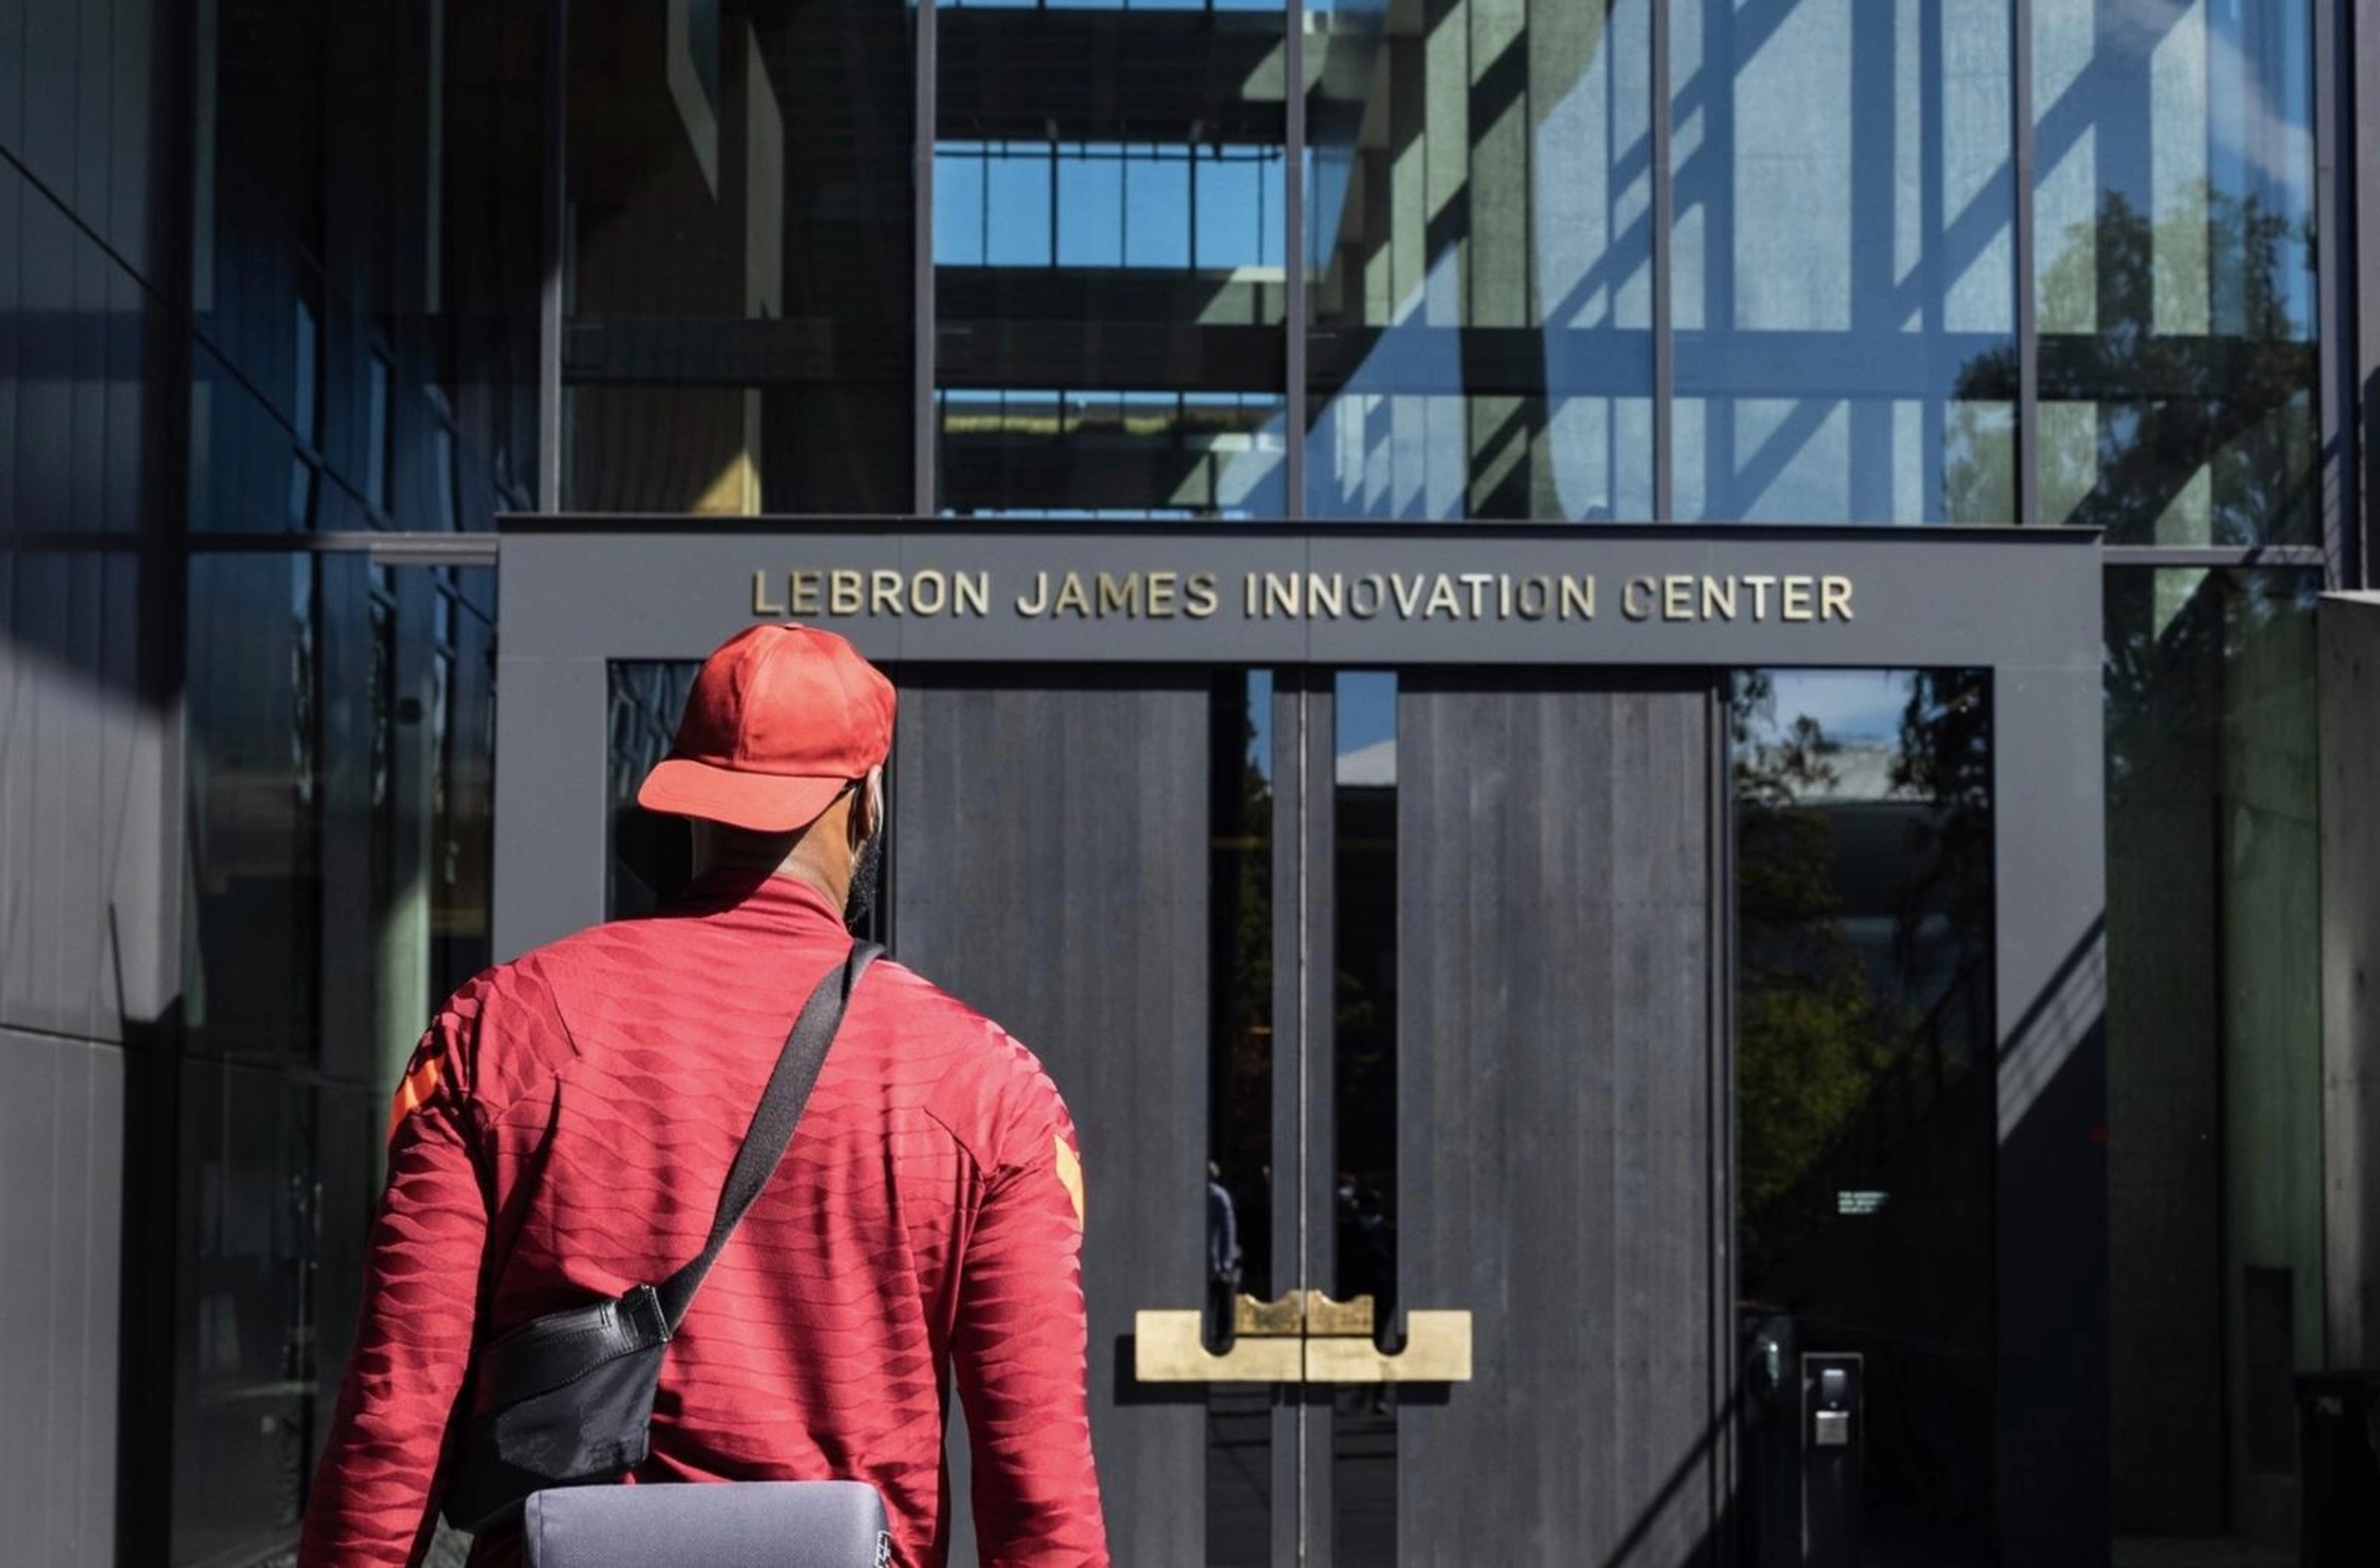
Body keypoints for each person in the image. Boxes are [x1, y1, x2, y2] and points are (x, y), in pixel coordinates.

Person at [299, 623, 1109, 1567]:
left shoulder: (498, 1033)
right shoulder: (988, 1090)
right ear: (864, 808)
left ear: (689, 805)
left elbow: (394, 1416)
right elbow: (1039, 1496)